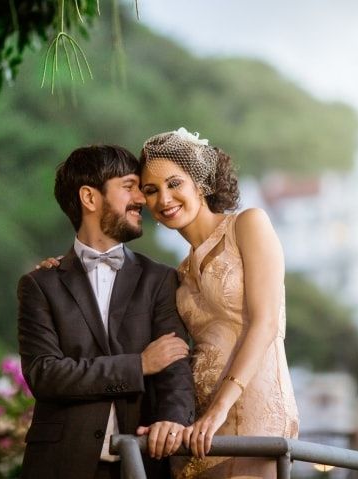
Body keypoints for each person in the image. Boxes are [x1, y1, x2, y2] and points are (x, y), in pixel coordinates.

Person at [17, 145, 195, 479]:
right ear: (89, 197)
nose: (142, 200)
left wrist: (172, 421)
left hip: (143, 462)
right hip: (59, 465)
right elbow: (45, 374)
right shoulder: (39, 285)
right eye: (129, 187)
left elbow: (175, 368)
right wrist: (138, 365)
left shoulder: (160, 279)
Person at [139, 128, 299, 478]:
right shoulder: (179, 271)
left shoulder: (248, 224)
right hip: (198, 423)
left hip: (251, 407)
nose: (163, 198)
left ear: (200, 182)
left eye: (174, 183)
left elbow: (266, 323)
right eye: (151, 190)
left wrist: (219, 410)